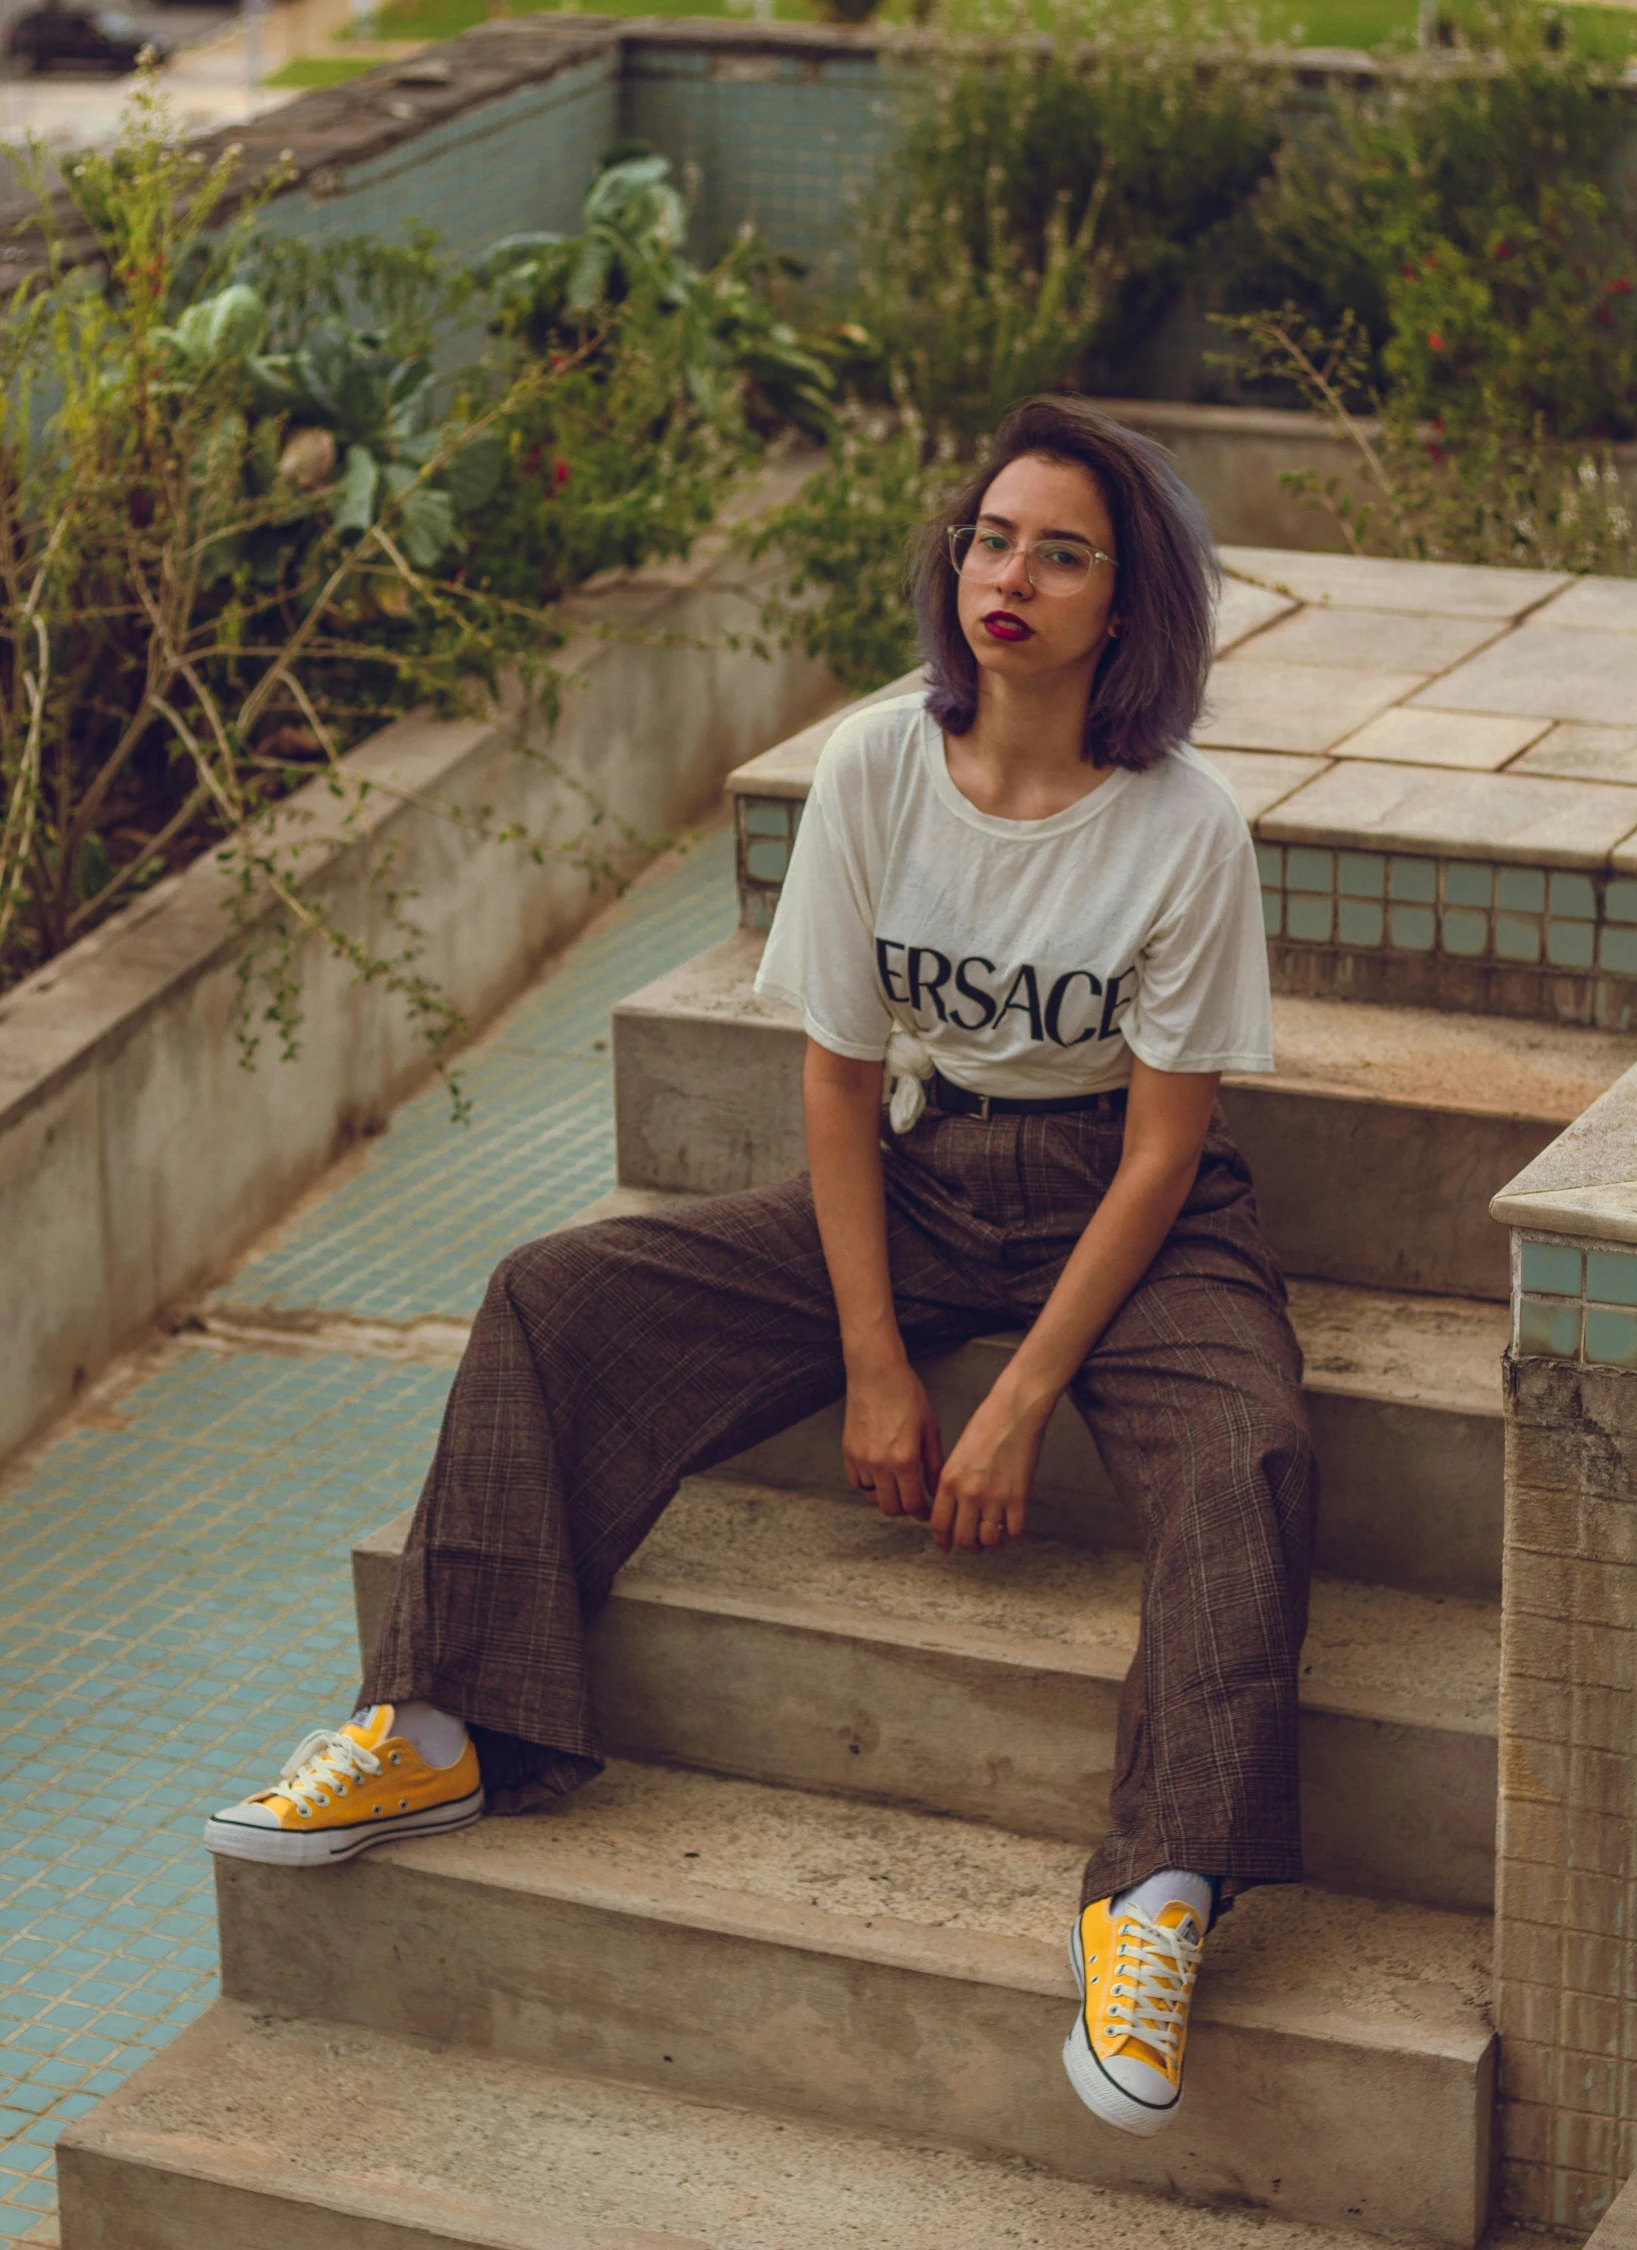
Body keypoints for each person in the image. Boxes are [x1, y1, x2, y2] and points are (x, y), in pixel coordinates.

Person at [204, 394, 1317, 2141]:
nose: (1007, 574)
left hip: (1135, 1200)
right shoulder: (877, 765)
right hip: (936, 1173)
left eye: (1062, 552)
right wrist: (878, 1357)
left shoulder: (1188, 829)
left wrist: (1019, 1398)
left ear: (1131, 603)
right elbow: (838, 1080)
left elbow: (1168, 1150)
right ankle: (444, 1721)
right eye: (990, 536)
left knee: (1248, 1448)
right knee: (551, 1293)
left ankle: (1157, 1893)